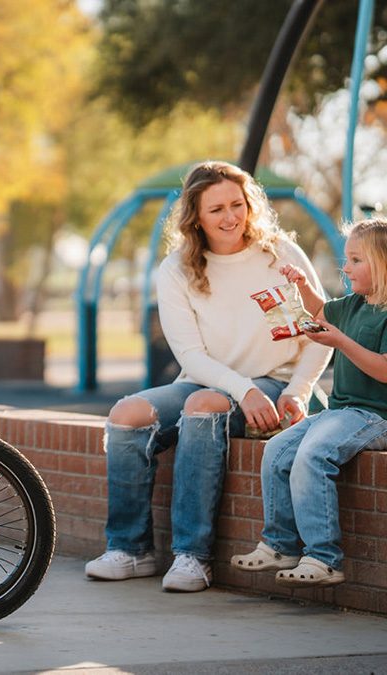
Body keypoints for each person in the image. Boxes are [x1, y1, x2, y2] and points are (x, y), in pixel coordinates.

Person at [85, 161, 331, 592]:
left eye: (238, 204)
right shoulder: (176, 268)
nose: (230, 217)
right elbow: (190, 355)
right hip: (212, 381)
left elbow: (322, 331)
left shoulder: (280, 253)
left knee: (203, 407)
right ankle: (130, 549)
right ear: (195, 216)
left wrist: (298, 390)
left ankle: (192, 557)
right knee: (126, 414)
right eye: (216, 209)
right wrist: (243, 390)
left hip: (276, 383)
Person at [231, 219, 387, 587]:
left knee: (313, 454)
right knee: (278, 451)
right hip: (341, 412)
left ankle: (323, 557)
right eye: (346, 259)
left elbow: (383, 369)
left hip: (374, 415)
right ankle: (279, 545)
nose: (345, 267)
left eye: (355, 260)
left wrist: (341, 344)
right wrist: (301, 286)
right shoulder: (353, 304)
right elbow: (321, 313)